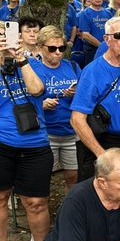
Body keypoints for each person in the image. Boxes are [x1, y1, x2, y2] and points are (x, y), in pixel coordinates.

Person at [70, 17, 120, 185]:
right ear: (107, 39)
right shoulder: (92, 71)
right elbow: (77, 119)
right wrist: (101, 154)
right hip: (104, 142)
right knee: (101, 201)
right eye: (119, 36)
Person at [0, 26, 53, 241]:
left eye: (5, 35)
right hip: (2, 144)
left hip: (35, 145)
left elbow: (37, 90)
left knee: (36, 202)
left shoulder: (32, 63)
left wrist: (20, 58)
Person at [31, 26, 81, 193]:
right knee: (42, 178)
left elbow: (86, 97)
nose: (58, 52)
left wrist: (76, 94)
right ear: (39, 47)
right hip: (45, 134)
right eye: (52, 48)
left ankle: (68, 211)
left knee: (72, 176)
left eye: (62, 48)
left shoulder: (72, 67)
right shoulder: (32, 69)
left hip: (71, 132)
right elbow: (21, 101)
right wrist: (41, 104)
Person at [78, 0, 114, 66]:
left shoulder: (108, 13)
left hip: (109, 49)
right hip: (92, 50)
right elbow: (86, 35)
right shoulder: (84, 14)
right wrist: (102, 46)